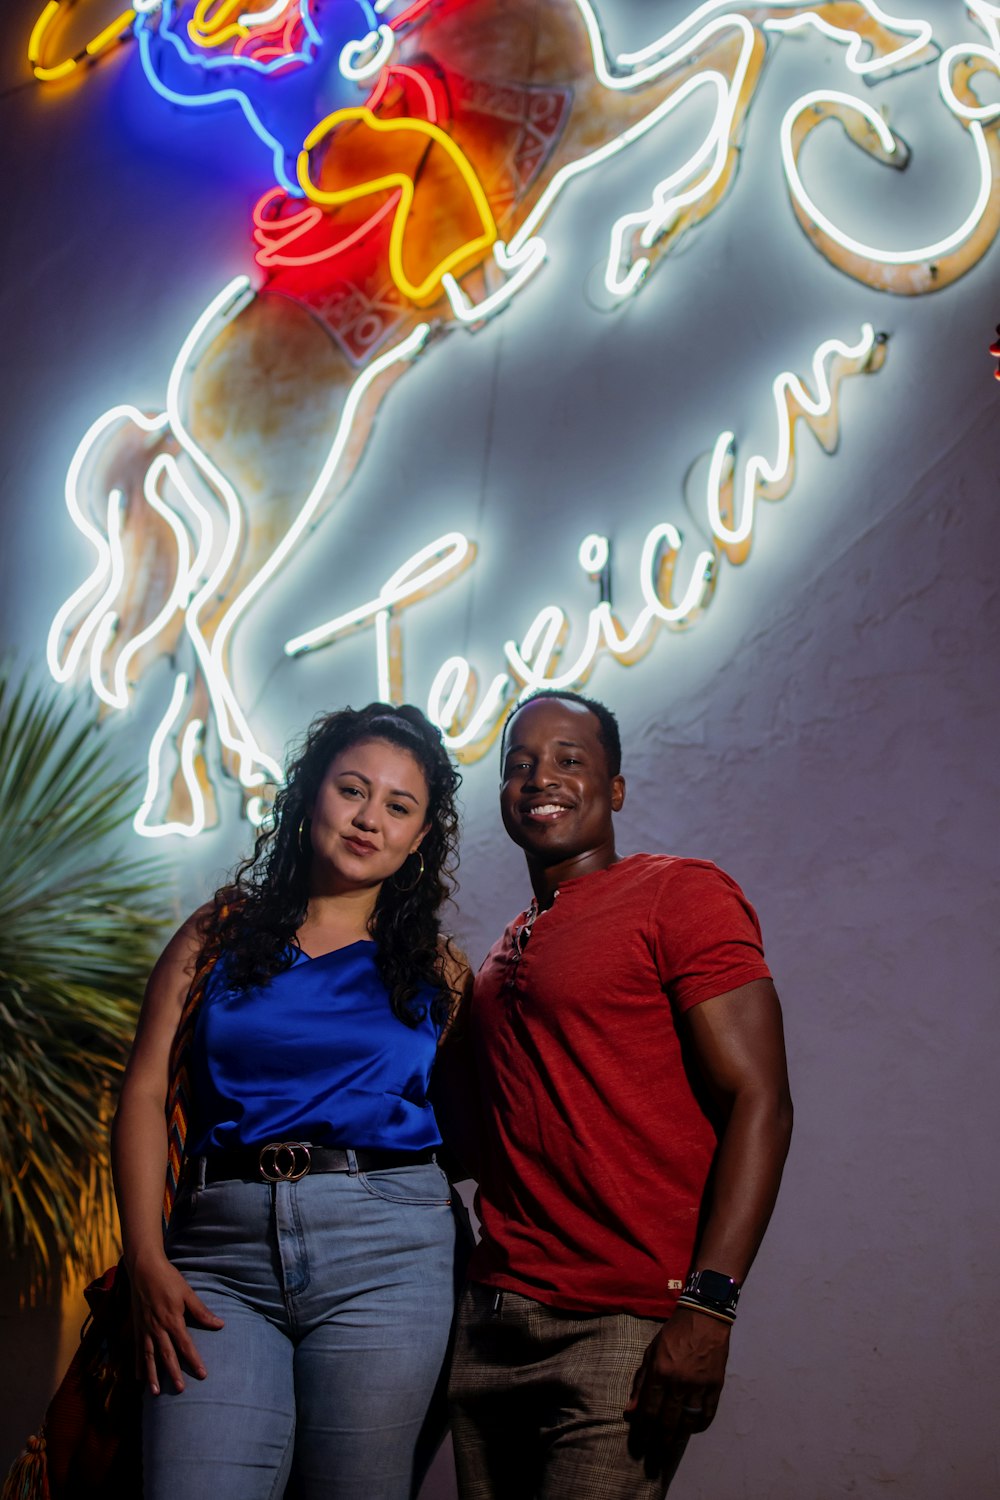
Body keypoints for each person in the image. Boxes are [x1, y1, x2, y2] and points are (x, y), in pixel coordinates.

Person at [112, 702, 468, 1500]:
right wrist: (145, 1257)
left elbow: (474, 1121)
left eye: (398, 806)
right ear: (310, 796)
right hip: (219, 1255)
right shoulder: (218, 936)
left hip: (391, 1256)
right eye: (352, 789)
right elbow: (140, 1094)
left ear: (419, 839)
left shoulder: (437, 969)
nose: (369, 817)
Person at [448, 690, 794, 1499]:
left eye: (572, 759)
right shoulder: (499, 957)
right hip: (490, 1322)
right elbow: (478, 1141)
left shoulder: (679, 893)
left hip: (620, 1327)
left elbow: (762, 1100)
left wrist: (710, 1306)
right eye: (520, 763)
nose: (543, 777)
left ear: (615, 789)